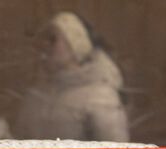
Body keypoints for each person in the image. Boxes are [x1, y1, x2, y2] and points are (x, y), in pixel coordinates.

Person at [14, 11, 128, 142]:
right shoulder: (37, 94)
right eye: (43, 40)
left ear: (75, 46)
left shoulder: (100, 98)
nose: (45, 45)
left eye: (53, 39)